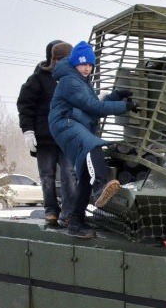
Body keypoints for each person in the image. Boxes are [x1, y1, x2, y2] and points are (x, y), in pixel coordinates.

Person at [48, 41, 133, 240]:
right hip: (64, 123)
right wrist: (123, 107)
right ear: (75, 63)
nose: (87, 68)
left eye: (90, 65)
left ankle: (76, 221)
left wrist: (116, 96)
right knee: (91, 145)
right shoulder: (70, 81)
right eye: (83, 64)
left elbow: (93, 105)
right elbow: (93, 107)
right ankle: (101, 187)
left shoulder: (81, 80)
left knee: (85, 175)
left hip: (75, 122)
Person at [17, 40, 76, 228]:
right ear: (51, 59)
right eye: (58, 59)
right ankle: (51, 210)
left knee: (69, 173)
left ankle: (69, 213)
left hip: (67, 136)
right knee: (47, 175)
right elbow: (25, 105)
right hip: (44, 137)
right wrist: (28, 131)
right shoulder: (39, 79)